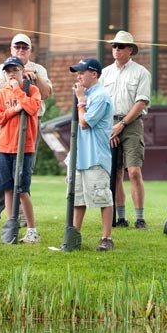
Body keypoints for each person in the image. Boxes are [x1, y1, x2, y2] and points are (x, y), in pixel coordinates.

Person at [0, 33, 53, 224]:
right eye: (17, 47)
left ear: (30, 50)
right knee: (0, 169)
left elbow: (46, 94)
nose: (21, 50)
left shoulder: (39, 69)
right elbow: (0, 95)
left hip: (31, 122)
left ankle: (23, 218)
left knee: (24, 170)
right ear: (11, 48)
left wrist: (34, 79)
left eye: (24, 47)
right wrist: (19, 80)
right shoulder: (2, 68)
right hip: (7, 123)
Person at [101, 30, 151, 229]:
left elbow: (141, 102)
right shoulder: (105, 73)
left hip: (131, 124)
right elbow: (101, 103)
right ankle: (121, 217)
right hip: (109, 124)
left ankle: (139, 217)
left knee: (134, 171)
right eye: (114, 46)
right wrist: (109, 128)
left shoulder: (141, 72)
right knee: (116, 172)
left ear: (130, 50)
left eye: (120, 46)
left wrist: (121, 125)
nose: (116, 49)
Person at [0, 56, 42, 243]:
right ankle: (11, 225)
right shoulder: (2, 92)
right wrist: (13, 110)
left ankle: (31, 229)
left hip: (24, 146)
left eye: (15, 70)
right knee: (7, 189)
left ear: (22, 71)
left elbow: (32, 108)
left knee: (22, 189)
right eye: (8, 71)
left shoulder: (32, 90)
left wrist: (18, 92)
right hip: (4, 146)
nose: (11, 74)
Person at [69, 58, 115, 251]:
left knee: (103, 197)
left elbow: (85, 123)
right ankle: (74, 235)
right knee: (78, 199)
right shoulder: (87, 94)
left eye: (82, 72)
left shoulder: (101, 96)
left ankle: (107, 238)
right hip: (80, 157)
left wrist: (80, 100)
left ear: (94, 74)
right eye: (77, 73)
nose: (78, 76)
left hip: (96, 156)